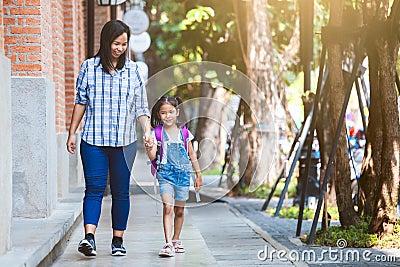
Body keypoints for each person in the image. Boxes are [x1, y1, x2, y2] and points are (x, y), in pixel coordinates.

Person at [66, 20, 151, 257]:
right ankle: (89, 238)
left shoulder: (133, 70)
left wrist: (147, 130)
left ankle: (117, 241)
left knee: (121, 191)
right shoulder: (89, 67)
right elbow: (80, 102)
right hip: (93, 140)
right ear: (106, 42)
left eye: (124, 44)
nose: (120, 48)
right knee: (94, 189)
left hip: (124, 143)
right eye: (116, 43)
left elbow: (140, 106)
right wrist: (72, 132)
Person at [144, 96, 202, 257]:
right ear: (158, 115)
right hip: (165, 174)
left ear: (177, 112)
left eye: (170, 112)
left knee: (180, 210)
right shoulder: (156, 133)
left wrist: (198, 174)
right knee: (168, 207)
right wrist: (149, 147)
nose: (167, 116)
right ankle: (168, 243)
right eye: (163, 113)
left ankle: (176, 239)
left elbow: (191, 154)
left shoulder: (184, 133)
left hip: (183, 175)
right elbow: (152, 156)